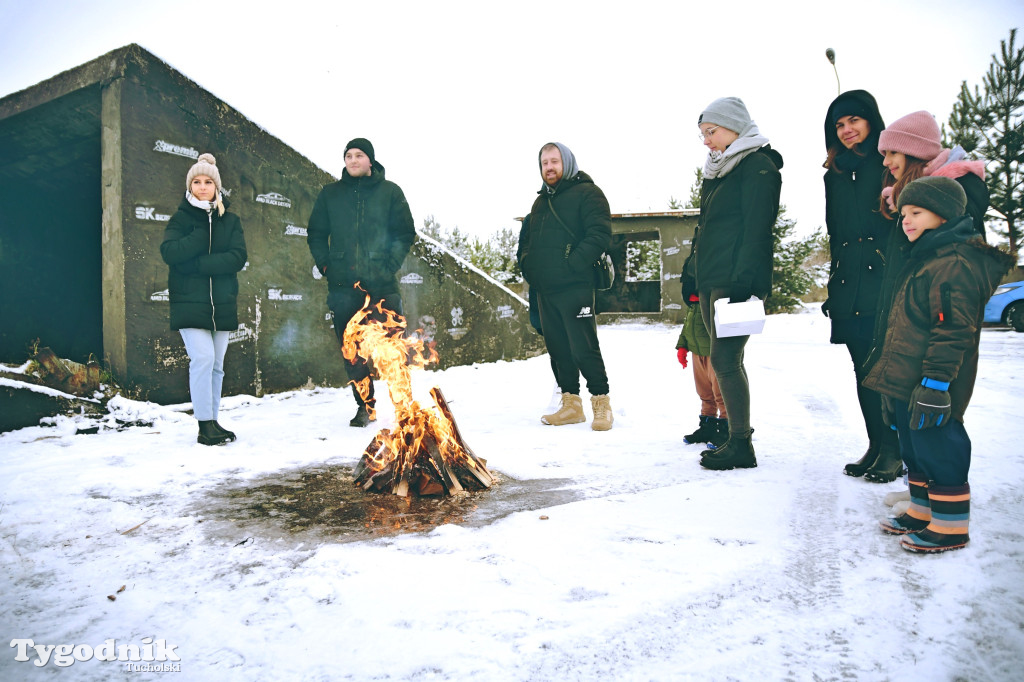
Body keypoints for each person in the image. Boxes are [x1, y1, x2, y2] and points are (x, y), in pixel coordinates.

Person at [863, 177, 1014, 552]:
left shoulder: (954, 264)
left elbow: (952, 332)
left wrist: (936, 384)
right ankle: (921, 509)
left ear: (944, 215)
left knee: (939, 445)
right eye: (903, 214)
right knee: (915, 447)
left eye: (916, 212)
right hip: (909, 377)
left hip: (934, 381)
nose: (906, 221)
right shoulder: (928, 258)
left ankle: (950, 525)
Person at [864, 111, 991, 481]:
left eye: (891, 153)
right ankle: (923, 495)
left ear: (914, 151)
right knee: (910, 417)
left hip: (939, 325)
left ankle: (945, 504)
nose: (885, 163)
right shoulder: (910, 200)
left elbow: (960, 279)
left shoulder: (953, 196)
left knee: (936, 415)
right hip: (913, 323)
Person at [683, 97, 782, 471]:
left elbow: (758, 230)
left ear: (735, 127)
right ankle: (736, 438)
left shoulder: (759, 166)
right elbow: (705, 229)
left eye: (711, 132)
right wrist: (693, 274)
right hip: (711, 278)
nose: (706, 141)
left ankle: (740, 442)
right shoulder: (719, 170)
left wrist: (745, 283)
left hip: (734, 281)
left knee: (725, 360)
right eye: (703, 134)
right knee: (723, 359)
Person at [820, 90, 902, 482]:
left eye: (854, 120)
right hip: (849, 281)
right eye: (839, 124)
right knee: (863, 369)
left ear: (871, 121)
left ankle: (895, 450)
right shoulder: (833, 174)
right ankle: (876, 443)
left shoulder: (889, 165)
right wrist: (834, 285)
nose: (847, 130)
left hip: (885, 278)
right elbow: (835, 234)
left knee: (887, 367)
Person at [307, 138, 415, 427]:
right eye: (348, 156)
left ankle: (403, 408)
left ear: (371, 161)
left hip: (382, 285)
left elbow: (405, 232)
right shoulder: (330, 194)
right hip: (343, 287)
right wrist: (327, 264)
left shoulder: (390, 192)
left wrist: (389, 263)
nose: (353, 160)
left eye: (359, 155)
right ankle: (365, 407)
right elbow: (316, 233)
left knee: (393, 349)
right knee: (351, 351)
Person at [518, 142, 614, 431]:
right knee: (558, 348)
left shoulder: (588, 193)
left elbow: (599, 235)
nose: (549, 167)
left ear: (567, 163)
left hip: (576, 286)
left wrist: (572, 264)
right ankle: (571, 404)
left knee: (584, 346)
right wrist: (529, 266)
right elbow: (528, 242)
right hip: (546, 289)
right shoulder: (540, 202)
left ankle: (601, 403)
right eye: (544, 162)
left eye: (554, 161)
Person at [160, 153, 248, 446]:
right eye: (196, 181)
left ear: (217, 186)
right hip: (189, 303)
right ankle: (203, 425)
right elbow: (170, 254)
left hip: (221, 304)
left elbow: (237, 257)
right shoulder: (182, 218)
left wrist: (198, 264)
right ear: (189, 186)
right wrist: (200, 236)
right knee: (203, 358)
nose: (201, 186)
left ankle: (213, 421)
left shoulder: (230, 220)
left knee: (217, 365)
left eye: (207, 181)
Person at [675, 290, 728, 448]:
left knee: (721, 394)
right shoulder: (693, 303)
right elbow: (688, 325)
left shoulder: (713, 303)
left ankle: (727, 429)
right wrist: (683, 346)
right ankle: (708, 426)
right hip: (697, 352)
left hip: (714, 353)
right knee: (705, 393)